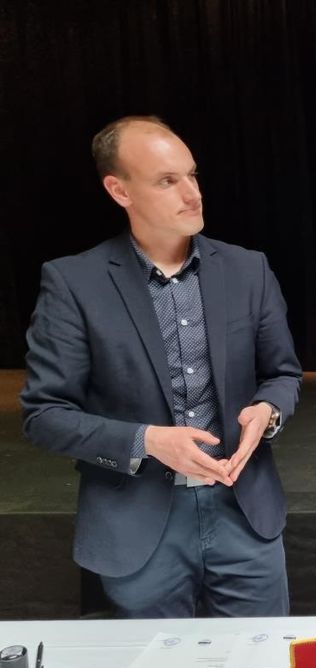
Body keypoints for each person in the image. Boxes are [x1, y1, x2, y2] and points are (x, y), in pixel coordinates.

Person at [21, 116, 301, 618]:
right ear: (119, 190)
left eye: (192, 175)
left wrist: (268, 411)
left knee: (261, 663)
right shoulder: (73, 283)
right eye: (167, 181)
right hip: (135, 525)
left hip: (245, 514)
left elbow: (282, 374)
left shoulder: (248, 269)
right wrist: (147, 441)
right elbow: (45, 415)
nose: (192, 194)